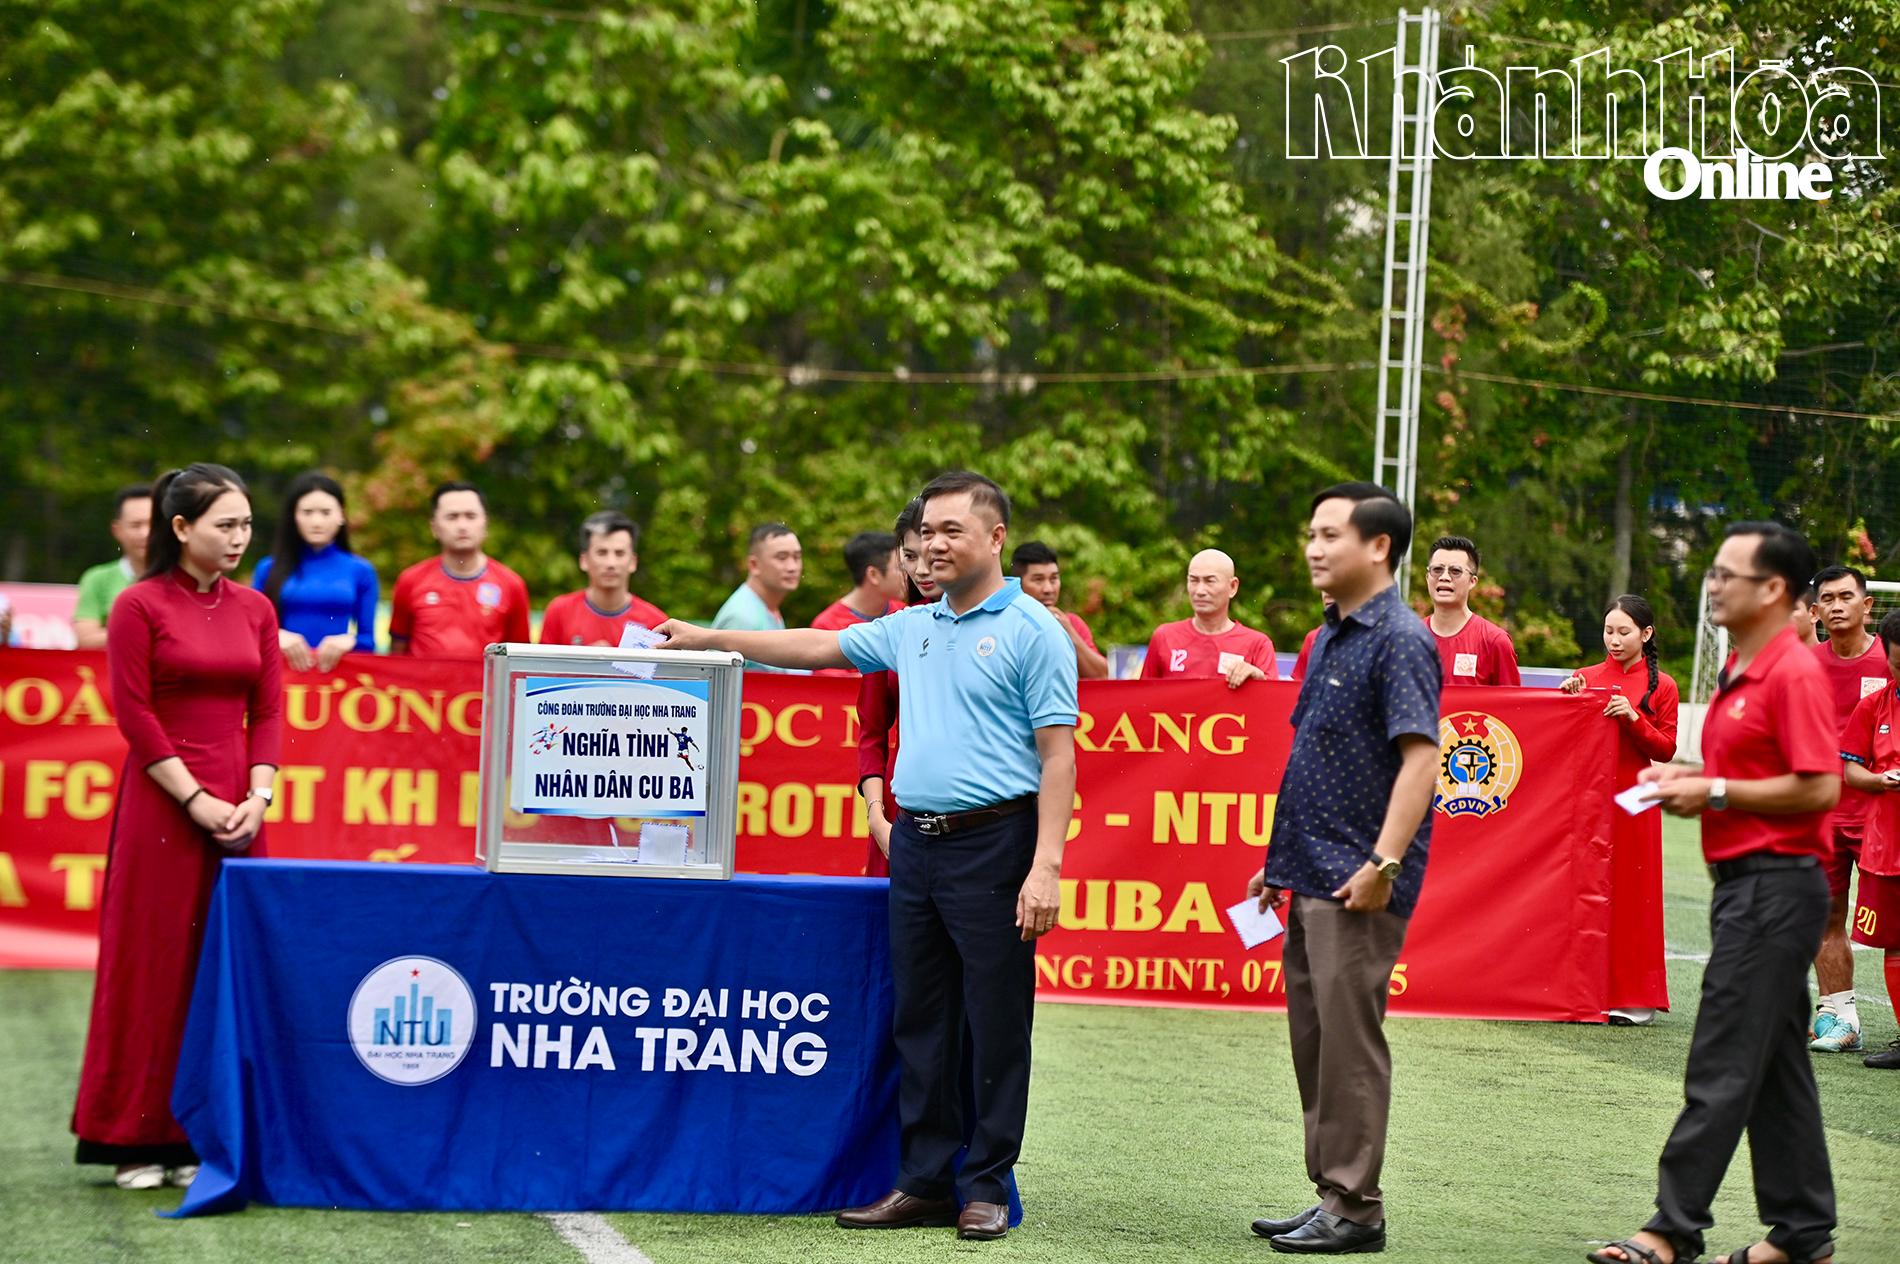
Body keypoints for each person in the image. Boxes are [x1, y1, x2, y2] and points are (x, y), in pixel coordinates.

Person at [655, 470, 1077, 1242]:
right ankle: (922, 1180)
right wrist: (712, 638)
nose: (935, 545)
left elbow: (1058, 756)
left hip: (997, 844)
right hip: (916, 845)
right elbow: (816, 644)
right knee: (920, 1019)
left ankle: (983, 1184)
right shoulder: (911, 625)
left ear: (995, 539)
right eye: (927, 533)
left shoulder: (1033, 630)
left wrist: (1045, 863)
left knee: (995, 1019)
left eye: (954, 531)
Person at [1588, 521, 1838, 1264]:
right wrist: (1684, 775)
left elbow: (1820, 784)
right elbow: (1751, 770)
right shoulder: (1741, 668)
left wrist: (1718, 792)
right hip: (1749, 889)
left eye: (1730, 573)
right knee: (1777, 1070)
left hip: (1773, 890)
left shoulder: (1790, 671)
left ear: (1774, 591)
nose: (1714, 584)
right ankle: (1802, 1234)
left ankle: (1672, 1231)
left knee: (1723, 1061)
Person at [72, 464, 282, 1192]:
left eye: (246, 525)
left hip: (241, 808)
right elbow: (134, 716)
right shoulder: (138, 605)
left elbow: (271, 712)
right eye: (225, 525)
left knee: (225, 968)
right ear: (181, 528)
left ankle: (209, 1132)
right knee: (153, 965)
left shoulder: (257, 608)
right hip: (165, 804)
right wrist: (195, 800)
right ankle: (134, 1137)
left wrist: (258, 796)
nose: (238, 538)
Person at [1246, 482, 1441, 1256]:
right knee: (1316, 1041)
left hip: (1359, 880)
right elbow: (1310, 758)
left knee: (1349, 1045)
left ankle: (1357, 1208)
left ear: (1379, 547)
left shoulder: (1400, 636)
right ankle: (1333, 1194)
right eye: (1312, 534)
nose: (1314, 548)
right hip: (1309, 869)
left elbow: (1422, 760)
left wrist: (1384, 863)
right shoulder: (1330, 634)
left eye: (1330, 535)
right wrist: (1274, 865)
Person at [1560, 595, 1679, 1026]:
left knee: (1634, 895)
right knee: (1582, 891)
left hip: (1634, 801)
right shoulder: (1584, 677)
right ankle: (1581, 989)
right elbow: (1565, 740)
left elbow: (1665, 750)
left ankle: (1634, 997)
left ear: (1646, 635)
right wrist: (1567, 700)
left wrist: (1632, 717)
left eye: (1624, 631)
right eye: (1609, 630)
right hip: (1588, 801)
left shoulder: (1662, 685)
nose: (1614, 639)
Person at [1806, 564, 1890, 1054]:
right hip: (1820, 813)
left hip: (1884, 814)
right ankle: (1841, 1017)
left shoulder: (1891, 661)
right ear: (1815, 611)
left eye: (1846, 597)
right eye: (1828, 600)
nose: (1837, 607)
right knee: (1825, 915)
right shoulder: (1802, 666)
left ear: (1867, 605)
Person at [858, 501, 940, 878]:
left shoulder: (999, 626)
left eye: (931, 555)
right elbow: (872, 733)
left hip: (977, 820)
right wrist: (877, 816)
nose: (922, 569)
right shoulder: (893, 627)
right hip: (898, 812)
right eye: (909, 556)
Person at [1839, 609, 1900, 1071]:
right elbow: (1850, 769)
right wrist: (1880, 781)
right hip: (1889, 846)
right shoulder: (1875, 705)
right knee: (1896, 944)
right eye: (1897, 664)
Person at [252, 472, 379, 671]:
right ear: (294, 516)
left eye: (326, 512)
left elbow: (369, 641)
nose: (317, 522)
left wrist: (350, 642)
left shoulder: (360, 570)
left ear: (342, 515)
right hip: (280, 679)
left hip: (335, 684)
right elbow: (251, 633)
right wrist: (276, 636)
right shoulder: (268, 568)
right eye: (308, 512)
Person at [388, 482, 531, 657]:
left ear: (485, 523)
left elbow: (519, 659)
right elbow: (397, 651)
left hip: (483, 684)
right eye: (452, 517)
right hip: (423, 684)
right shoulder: (410, 580)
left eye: (470, 516)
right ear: (434, 527)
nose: (462, 526)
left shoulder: (511, 585)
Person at [1138, 549, 1277, 687]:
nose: (1200, 591)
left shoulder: (1258, 645)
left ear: (1232, 587)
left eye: (1210, 581)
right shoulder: (1165, 637)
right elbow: (1144, 699)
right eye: (1193, 580)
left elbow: (1276, 703)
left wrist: (1259, 680)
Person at [538, 511, 667, 647]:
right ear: (584, 560)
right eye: (602, 553)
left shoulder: (656, 624)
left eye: (619, 553)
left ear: (633, 562)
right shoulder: (559, 613)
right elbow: (538, 667)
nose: (611, 563)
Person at [1422, 535, 1520, 686]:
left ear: (1472, 581)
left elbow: (1514, 707)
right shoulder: (1409, 638)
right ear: (1427, 577)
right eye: (1437, 570)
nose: (1444, 577)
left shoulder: (1495, 642)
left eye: (1455, 571)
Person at [1011, 541, 1109, 679]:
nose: (1048, 589)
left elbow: (1102, 675)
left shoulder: (1072, 623)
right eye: (1038, 580)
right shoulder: (1006, 625)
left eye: (1053, 579)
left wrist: (1069, 633)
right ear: (1018, 584)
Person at [712, 522, 803, 671]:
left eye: (797, 557)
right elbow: (717, 684)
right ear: (754, 565)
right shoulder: (742, 618)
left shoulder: (767, 607)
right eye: (782, 557)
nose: (792, 567)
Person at [72, 486, 154, 650]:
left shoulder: (180, 577)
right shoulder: (97, 578)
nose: (145, 533)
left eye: (153, 524)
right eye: (136, 525)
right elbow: (86, 640)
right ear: (117, 530)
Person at [812, 530, 906, 631]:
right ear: (873, 575)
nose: (908, 574)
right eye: (900, 568)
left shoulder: (903, 612)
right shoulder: (828, 626)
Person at [1289, 590, 1334, 683]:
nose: (1327, 593)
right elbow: (1298, 691)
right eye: (1324, 587)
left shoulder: (1370, 637)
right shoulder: (1313, 637)